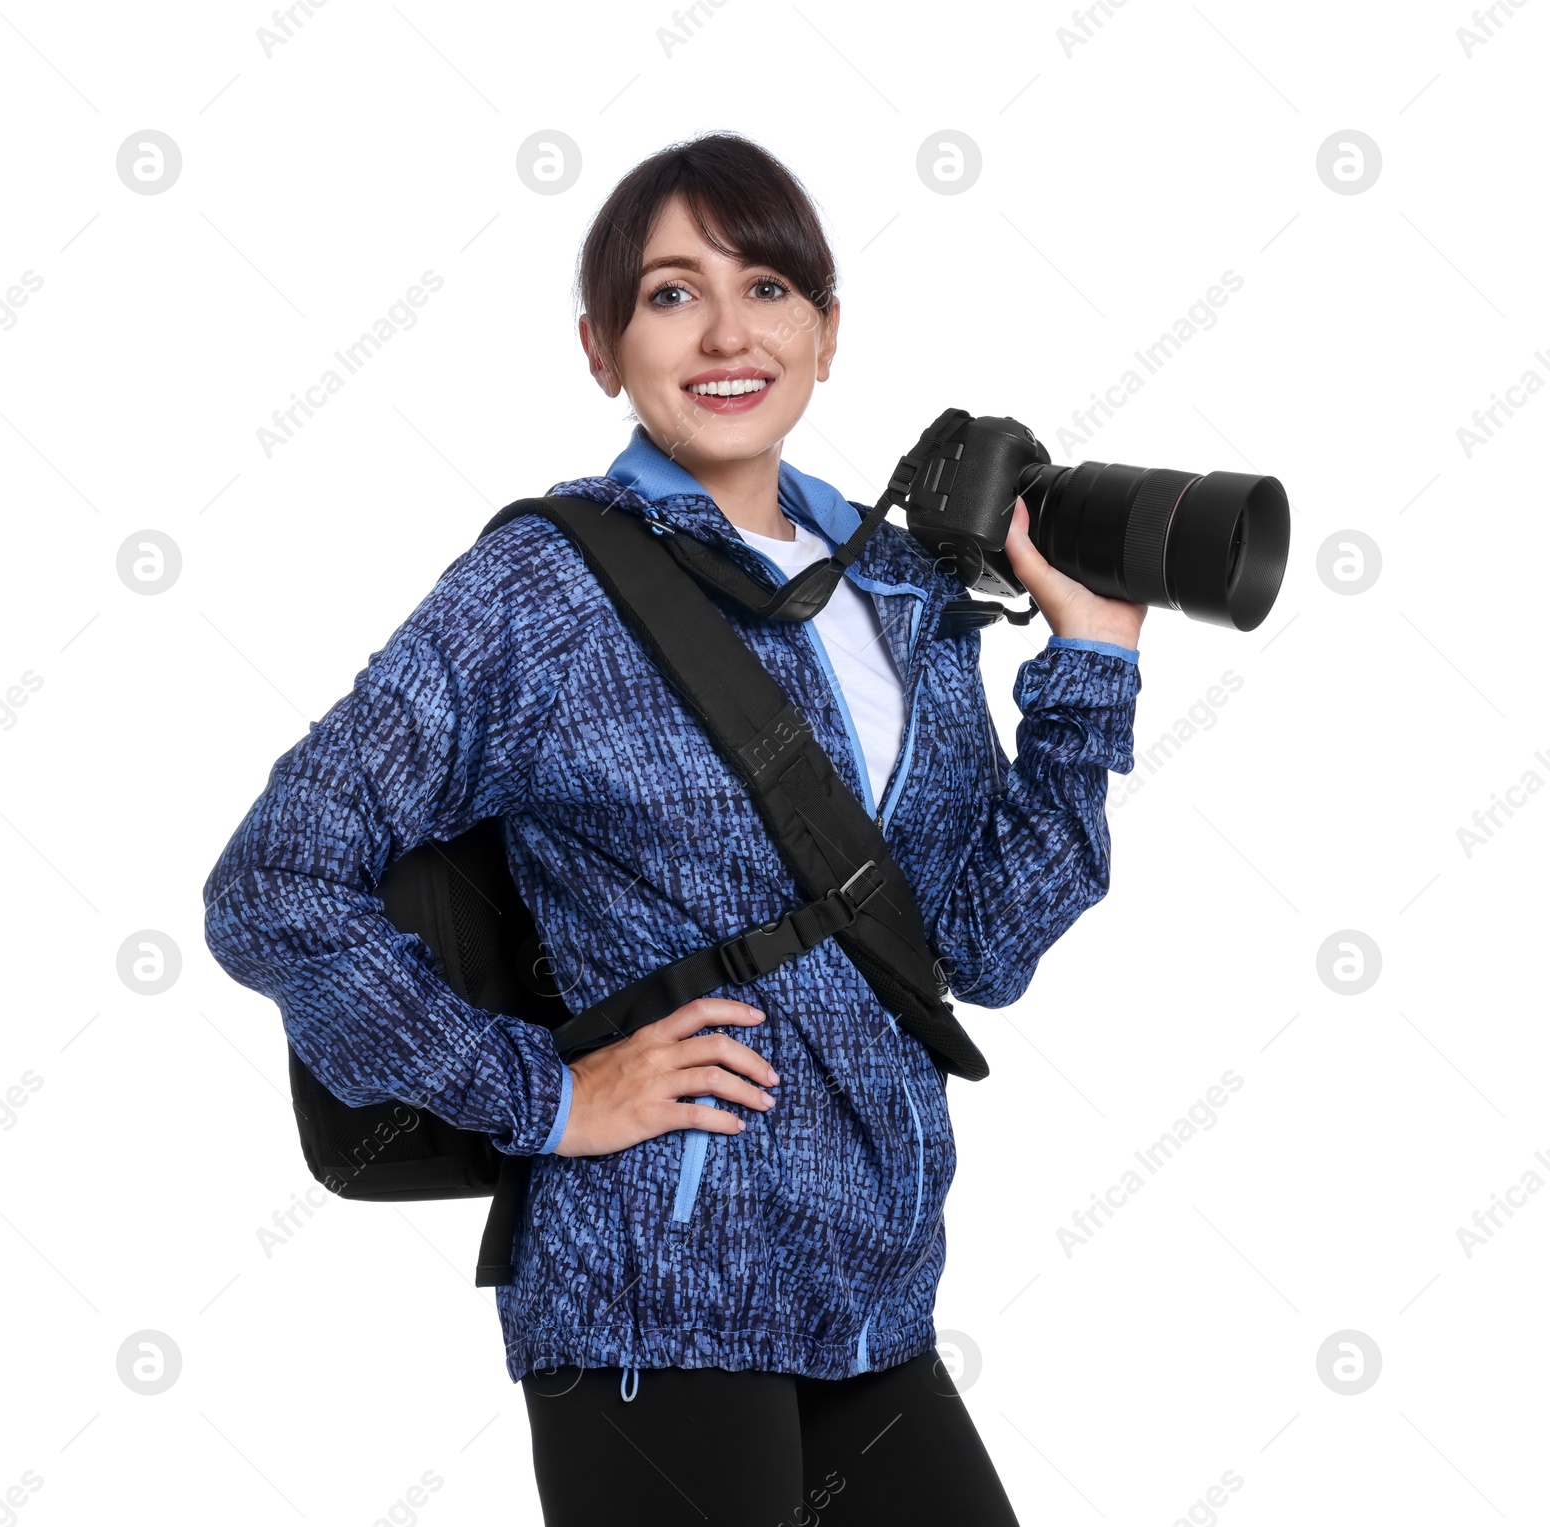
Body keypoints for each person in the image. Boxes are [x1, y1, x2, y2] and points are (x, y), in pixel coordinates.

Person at [203, 131, 1144, 1526]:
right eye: (668, 294)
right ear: (600, 347)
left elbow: (982, 948)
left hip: (876, 1287)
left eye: (768, 288)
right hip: (660, 1290)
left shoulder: (899, 591)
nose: (725, 332)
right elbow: (274, 881)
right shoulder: (543, 591)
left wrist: (1093, 667)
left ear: (827, 333)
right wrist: (545, 1095)